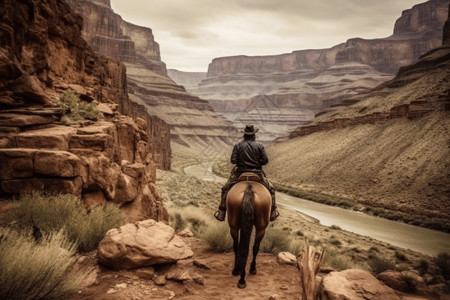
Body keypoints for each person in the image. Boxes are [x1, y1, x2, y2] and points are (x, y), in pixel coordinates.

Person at [214, 125, 279, 222]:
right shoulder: (260, 146)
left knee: (225, 189)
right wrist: (257, 162)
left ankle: (221, 212)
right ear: (254, 135)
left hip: (240, 173)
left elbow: (233, 160)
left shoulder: (237, 145)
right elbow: (265, 161)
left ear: (244, 134)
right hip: (257, 173)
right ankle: (272, 212)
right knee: (271, 189)